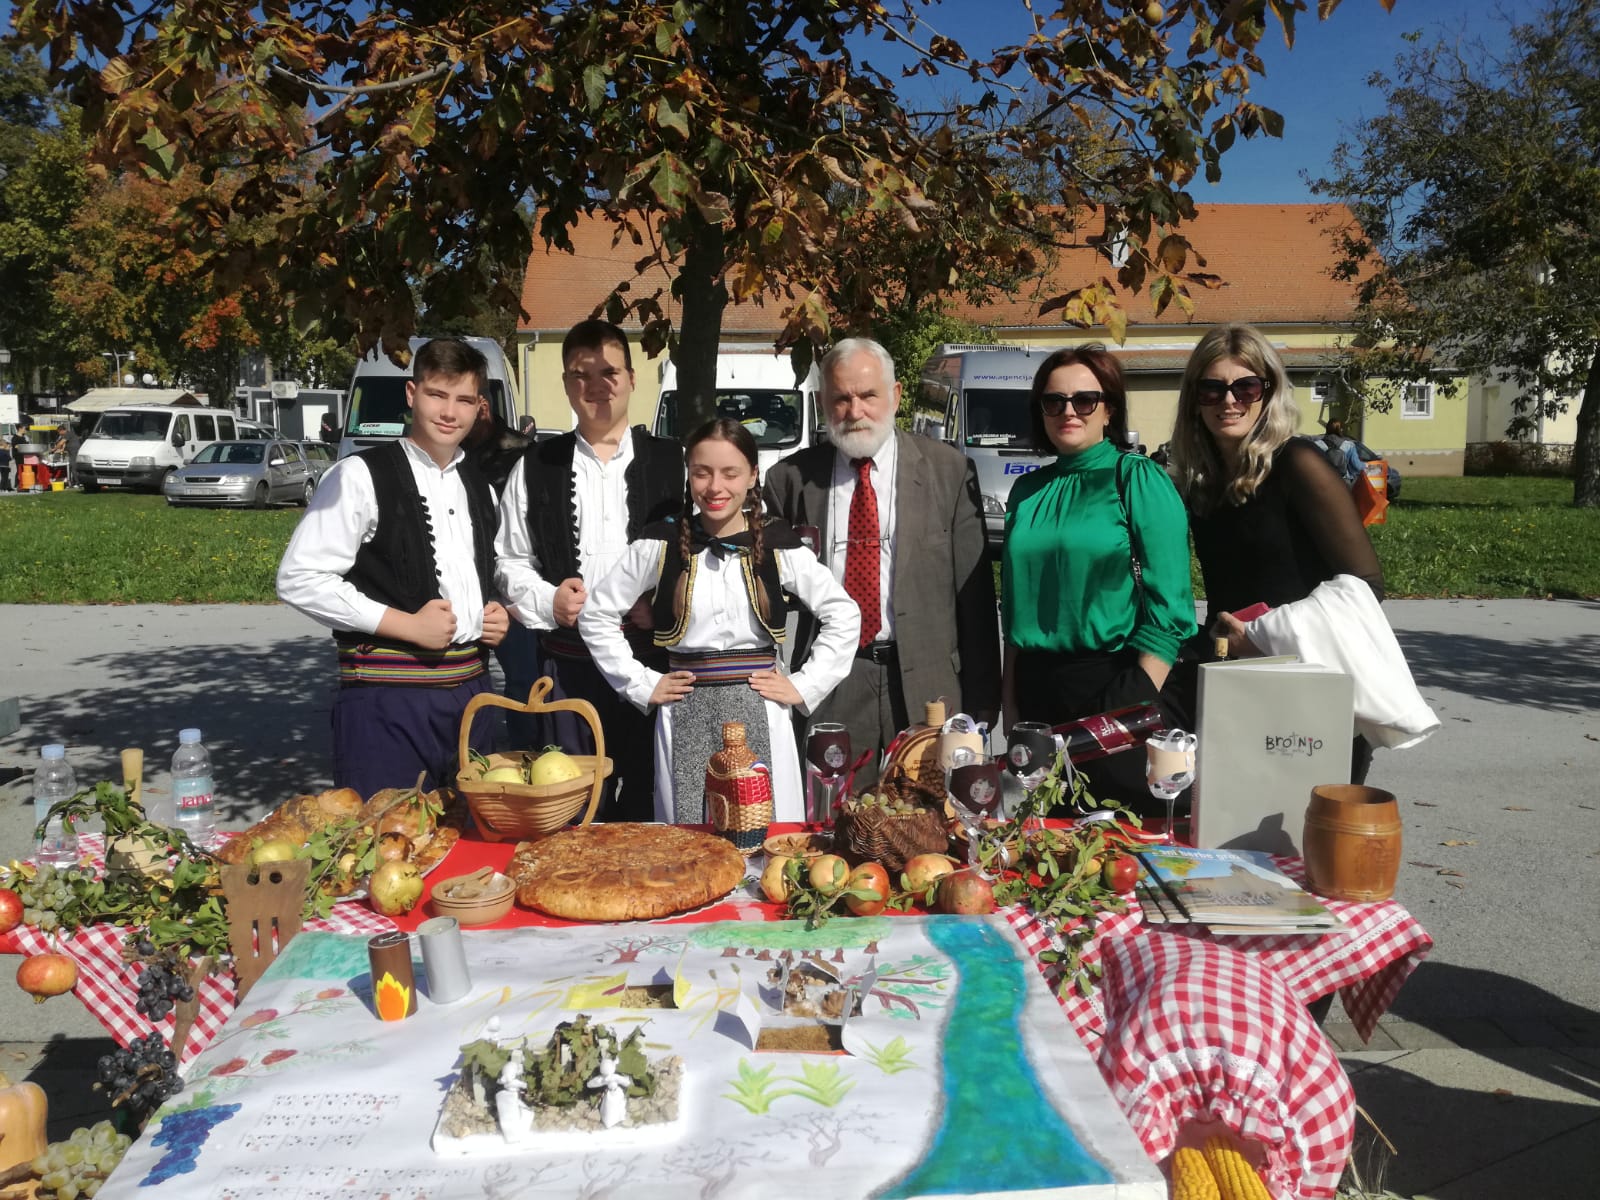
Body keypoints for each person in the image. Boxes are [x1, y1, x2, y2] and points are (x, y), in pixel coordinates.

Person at [580, 419, 859, 822]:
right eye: (702, 472)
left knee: (765, 828)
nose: (715, 487)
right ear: (688, 474)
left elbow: (844, 613)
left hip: (761, 704)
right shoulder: (660, 543)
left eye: (730, 473)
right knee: (692, 836)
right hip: (686, 707)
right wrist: (643, 683)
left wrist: (803, 685)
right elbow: (597, 614)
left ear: (752, 476)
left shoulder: (778, 544)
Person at [276, 338, 511, 796]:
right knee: (386, 846)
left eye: (463, 400)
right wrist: (405, 624)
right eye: (436, 395)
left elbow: (482, 573)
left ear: (479, 407)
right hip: (386, 700)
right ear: (411, 393)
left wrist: (496, 611)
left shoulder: (480, 486)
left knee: (468, 848)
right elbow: (299, 578)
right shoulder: (359, 476)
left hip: (471, 696)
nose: (449, 412)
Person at [764, 337, 1000, 787]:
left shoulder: (949, 472)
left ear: (894, 396)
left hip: (928, 686)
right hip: (831, 682)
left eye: (868, 395)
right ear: (823, 402)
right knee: (830, 826)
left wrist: (985, 699)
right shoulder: (791, 481)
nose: (855, 411)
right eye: (841, 398)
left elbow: (975, 598)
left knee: (928, 833)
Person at [1165, 323, 1385, 780]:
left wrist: (1267, 633)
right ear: (1194, 398)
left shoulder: (1298, 464)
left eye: (1245, 386)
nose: (1230, 401)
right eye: (1213, 388)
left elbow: (1366, 585)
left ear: (1268, 393)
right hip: (1234, 681)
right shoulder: (1201, 483)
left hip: (1309, 685)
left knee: (1306, 843)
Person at [495, 319, 684, 821]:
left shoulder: (675, 462)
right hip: (569, 668)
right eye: (581, 375)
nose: (597, 386)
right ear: (565, 384)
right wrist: (546, 599)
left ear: (632, 378)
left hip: (651, 667)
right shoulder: (535, 466)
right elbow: (509, 561)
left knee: (651, 808)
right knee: (575, 813)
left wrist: (665, 605)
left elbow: (703, 557)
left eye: (609, 372)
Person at [1000, 346, 1197, 811]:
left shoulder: (1137, 478)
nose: (1069, 411)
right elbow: (1014, 608)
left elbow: (1172, 609)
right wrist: (1011, 702)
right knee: (1041, 843)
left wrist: (1127, 708)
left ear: (1108, 408)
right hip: (1035, 691)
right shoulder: (1027, 491)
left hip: (1115, 685)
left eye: (1085, 400)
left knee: (1118, 834)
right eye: (1054, 401)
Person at [463, 396, 538, 744]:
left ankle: (526, 755)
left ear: (484, 406)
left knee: (523, 679)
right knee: (465, 678)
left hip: (511, 583)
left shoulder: (520, 449)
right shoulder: (450, 448)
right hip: (466, 582)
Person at [1321, 419, 1363, 486]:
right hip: (1343, 482)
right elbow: (1357, 466)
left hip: (1323, 481)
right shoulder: (1349, 445)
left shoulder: (1317, 444)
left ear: (1327, 429)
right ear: (1341, 430)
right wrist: (1366, 466)